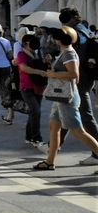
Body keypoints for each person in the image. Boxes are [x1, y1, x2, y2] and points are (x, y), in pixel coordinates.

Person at [33, 26, 98, 172]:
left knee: (78, 131)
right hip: (61, 98)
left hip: (67, 98)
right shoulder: (65, 52)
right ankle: (50, 161)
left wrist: (52, 74)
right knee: (54, 127)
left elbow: (74, 74)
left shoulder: (68, 53)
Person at [58, 6, 98, 166]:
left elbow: (76, 58)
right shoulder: (82, 30)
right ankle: (54, 145)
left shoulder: (78, 33)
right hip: (84, 77)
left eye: (66, 17)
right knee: (65, 111)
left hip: (81, 79)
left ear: (74, 17)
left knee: (86, 115)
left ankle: (96, 154)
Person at [16, 33, 49, 151]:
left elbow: (40, 66)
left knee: (34, 112)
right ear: (25, 44)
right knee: (36, 110)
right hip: (27, 86)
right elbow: (23, 67)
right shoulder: (21, 54)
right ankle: (36, 138)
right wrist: (38, 72)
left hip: (38, 86)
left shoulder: (36, 54)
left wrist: (45, 61)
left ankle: (29, 137)